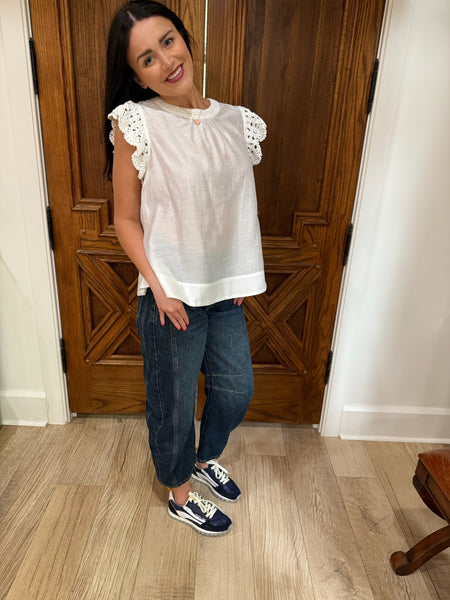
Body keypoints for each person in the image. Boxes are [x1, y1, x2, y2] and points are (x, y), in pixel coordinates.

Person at [105, 0, 266, 536]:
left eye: (168, 41)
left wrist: (237, 271)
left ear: (185, 40)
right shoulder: (138, 123)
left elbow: (233, 207)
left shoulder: (237, 122)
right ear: (137, 76)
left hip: (223, 294)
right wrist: (158, 287)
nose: (166, 61)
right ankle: (179, 494)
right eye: (147, 58)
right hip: (170, 296)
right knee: (173, 405)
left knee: (236, 390)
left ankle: (204, 458)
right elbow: (125, 219)